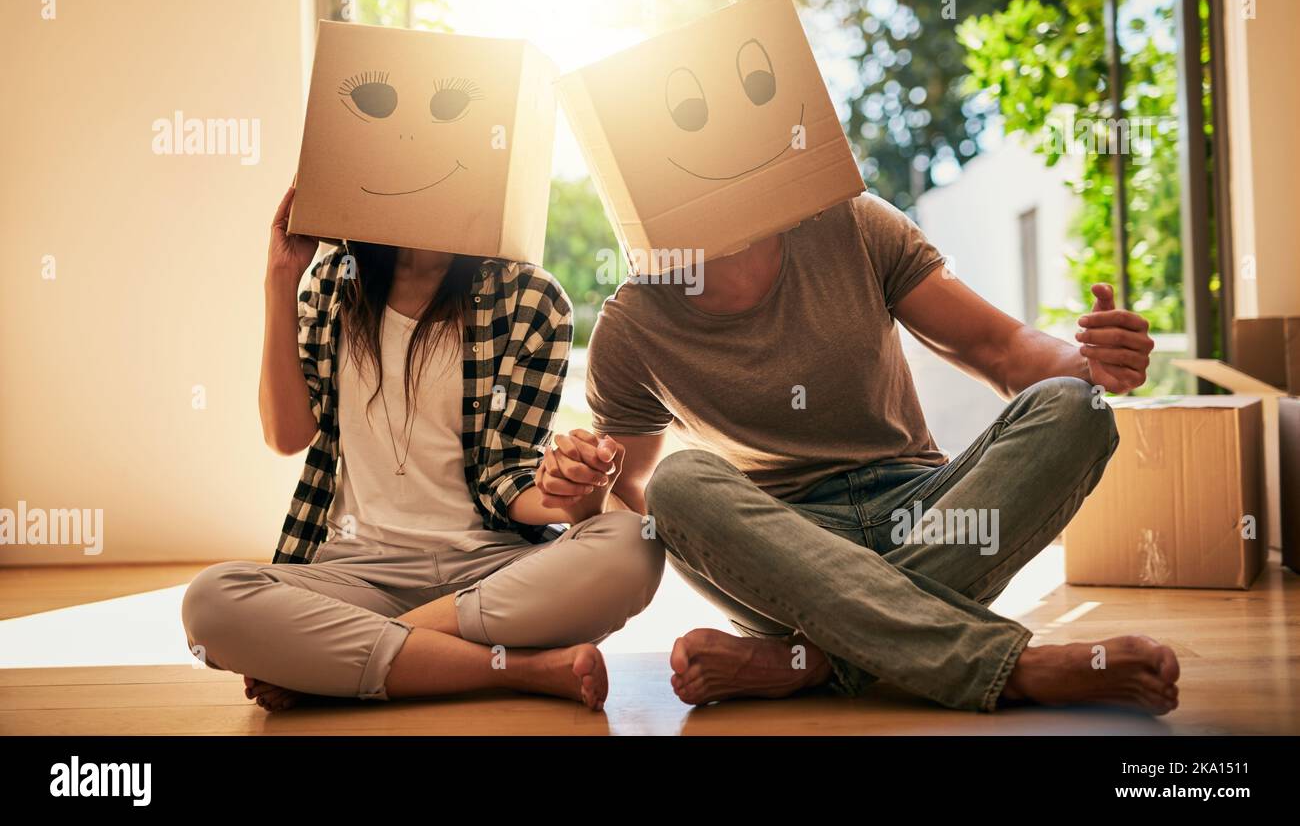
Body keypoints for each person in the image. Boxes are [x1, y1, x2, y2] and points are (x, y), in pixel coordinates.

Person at [537, 193, 1179, 714]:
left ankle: (807, 662)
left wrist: (1087, 363)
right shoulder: (632, 325)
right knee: (679, 485)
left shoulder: (851, 223)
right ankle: (1012, 670)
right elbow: (635, 494)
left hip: (924, 507)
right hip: (783, 549)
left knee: (1076, 406)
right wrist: (585, 488)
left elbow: (1002, 350)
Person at [181, 186, 664, 712]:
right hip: (359, 571)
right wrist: (280, 277)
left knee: (634, 541)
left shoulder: (531, 299)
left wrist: (571, 490)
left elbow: (508, 478)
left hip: (490, 571)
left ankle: (360, 658)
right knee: (210, 602)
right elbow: (286, 435)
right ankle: (519, 670)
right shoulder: (331, 283)